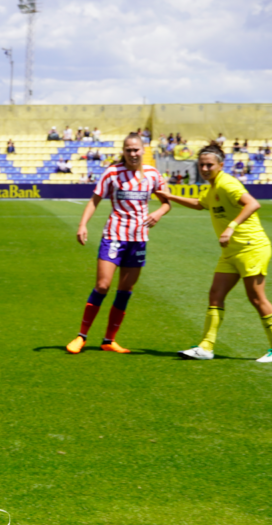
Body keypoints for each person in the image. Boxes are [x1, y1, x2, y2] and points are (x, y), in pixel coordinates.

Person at [155, 143, 272, 362]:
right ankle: (206, 347)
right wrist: (169, 197)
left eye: (209, 165)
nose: (205, 169)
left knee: (257, 298)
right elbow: (200, 204)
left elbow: (252, 204)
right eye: (202, 165)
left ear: (221, 165)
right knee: (215, 295)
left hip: (250, 246)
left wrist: (231, 227)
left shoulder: (227, 183)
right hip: (231, 252)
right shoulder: (212, 188)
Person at [66, 133, 170, 354]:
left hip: (139, 239)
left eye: (136, 149)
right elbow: (95, 200)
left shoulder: (152, 174)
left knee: (125, 290)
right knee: (103, 285)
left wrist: (160, 212)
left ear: (143, 150)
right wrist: (83, 224)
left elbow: (167, 201)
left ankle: (108, 340)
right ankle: (81, 336)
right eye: (128, 150)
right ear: (124, 151)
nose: (133, 154)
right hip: (114, 236)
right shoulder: (112, 172)